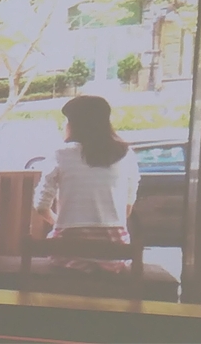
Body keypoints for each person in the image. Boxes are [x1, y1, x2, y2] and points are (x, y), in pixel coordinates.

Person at [34, 95, 140, 273]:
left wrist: (60, 224)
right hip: (114, 254)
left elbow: (41, 206)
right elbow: (127, 209)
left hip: (68, 252)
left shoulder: (60, 154)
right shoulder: (126, 154)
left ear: (74, 124)